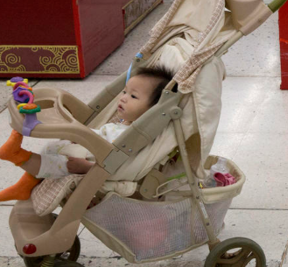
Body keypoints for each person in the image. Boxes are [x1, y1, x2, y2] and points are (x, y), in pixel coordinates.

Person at [0, 66, 174, 201]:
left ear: (152, 110)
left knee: (54, 163)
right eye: (124, 91)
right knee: (53, 147)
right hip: (83, 147)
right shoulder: (124, 123)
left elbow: (124, 166)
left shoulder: (138, 137)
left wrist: (86, 167)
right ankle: (23, 186)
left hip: (87, 163)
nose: (123, 98)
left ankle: (17, 155)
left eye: (133, 97)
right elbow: (103, 134)